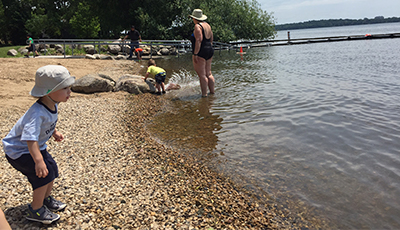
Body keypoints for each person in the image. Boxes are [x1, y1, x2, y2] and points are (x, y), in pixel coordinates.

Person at [2, 65, 75, 224]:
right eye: (65, 88)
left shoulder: (52, 103)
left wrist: (54, 132)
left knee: (52, 169)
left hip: (34, 148)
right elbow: (30, 139)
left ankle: (45, 199)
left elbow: (49, 121)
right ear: (48, 91)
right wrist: (38, 161)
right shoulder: (36, 113)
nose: (70, 92)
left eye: (69, 87)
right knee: (42, 175)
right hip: (19, 151)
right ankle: (35, 210)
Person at [189, 9, 215, 97]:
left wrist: (196, 54)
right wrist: (209, 48)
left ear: (194, 18)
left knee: (202, 75)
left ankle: (204, 96)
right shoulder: (208, 25)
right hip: (209, 49)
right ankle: (212, 93)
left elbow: (199, 40)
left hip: (201, 51)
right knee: (209, 73)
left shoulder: (198, 26)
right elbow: (211, 38)